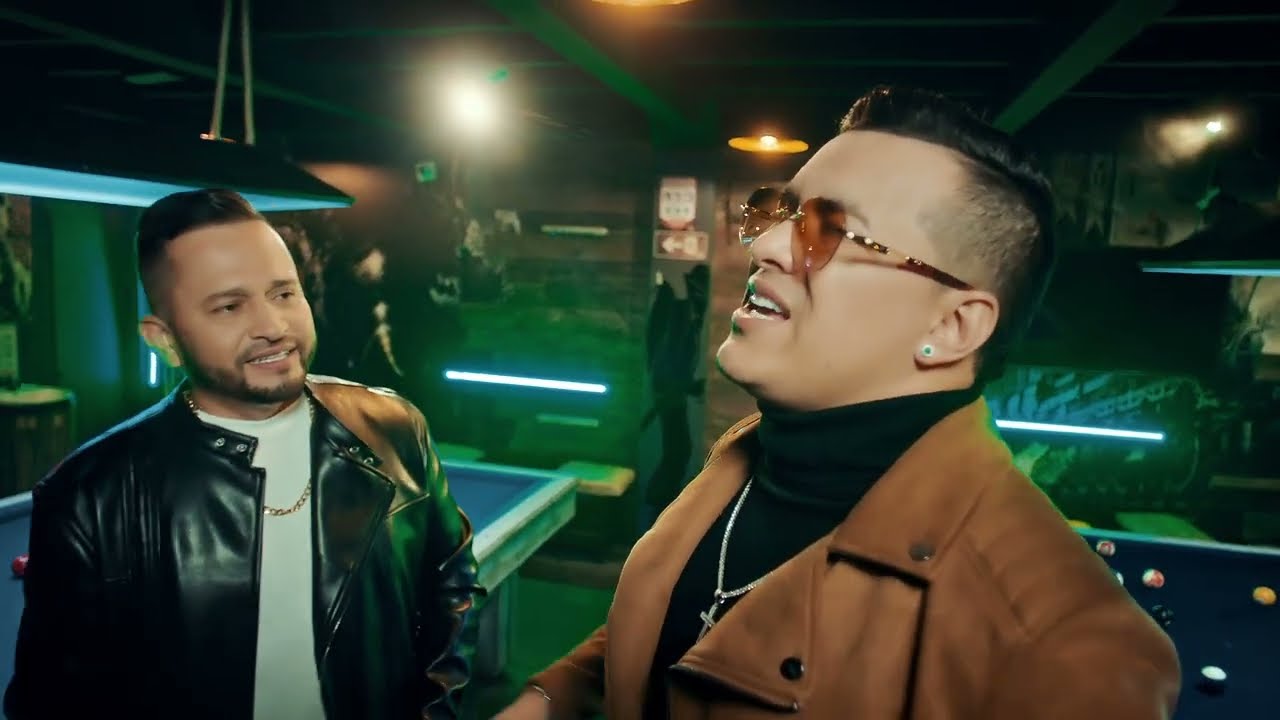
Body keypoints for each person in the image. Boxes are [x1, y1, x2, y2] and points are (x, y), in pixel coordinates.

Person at [497, 86, 1181, 719]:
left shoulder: (1064, 650)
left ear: (952, 326)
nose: (765, 245)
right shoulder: (754, 452)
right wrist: (549, 700)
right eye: (780, 212)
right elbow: (682, 624)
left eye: (829, 230)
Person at [4, 189, 482, 719]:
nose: (273, 327)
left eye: (284, 293)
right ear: (163, 339)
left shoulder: (395, 428)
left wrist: (435, 711)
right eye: (230, 306)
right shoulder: (88, 497)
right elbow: (50, 702)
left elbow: (452, 583)